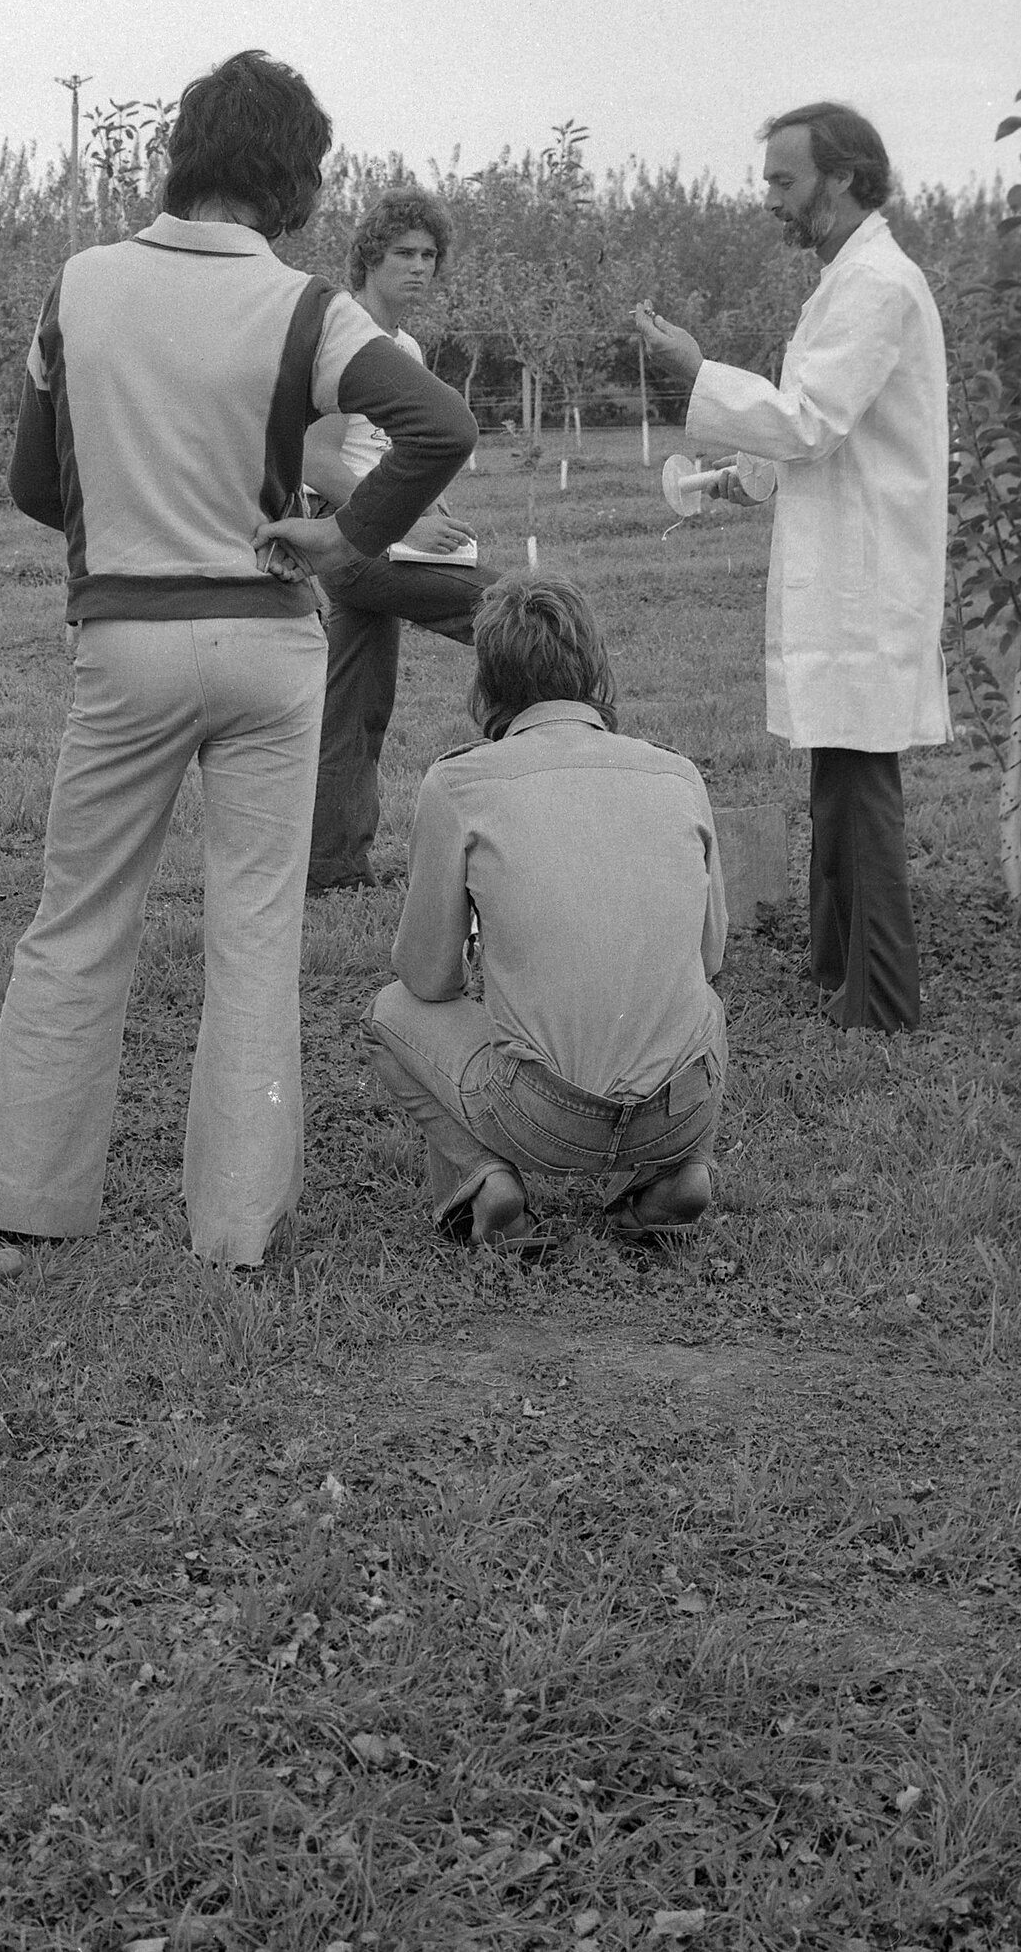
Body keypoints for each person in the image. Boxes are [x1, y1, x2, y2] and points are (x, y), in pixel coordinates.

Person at [0, 49, 476, 1272]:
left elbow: (32, 480)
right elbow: (435, 427)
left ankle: (20, 1193)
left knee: (76, 917)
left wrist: (119, 517)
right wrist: (344, 537)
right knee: (252, 931)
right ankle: (236, 1225)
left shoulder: (78, 286)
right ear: (293, 177)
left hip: (125, 640)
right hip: (270, 638)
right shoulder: (307, 307)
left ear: (181, 152)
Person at [633, 101, 949, 1031]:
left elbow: (811, 418)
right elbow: (818, 429)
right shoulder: (845, 280)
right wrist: (739, 479)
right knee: (838, 771)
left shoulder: (878, 284)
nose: (769, 198)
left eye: (784, 180)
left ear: (843, 178)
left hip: (868, 569)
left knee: (860, 780)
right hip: (850, 559)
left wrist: (698, 370)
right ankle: (838, 968)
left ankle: (881, 1001)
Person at [367, 573, 729, 1250]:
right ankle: (677, 1174)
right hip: (682, 1107)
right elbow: (710, 959)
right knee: (705, 1004)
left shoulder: (459, 782)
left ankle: (485, 1181)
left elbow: (426, 980)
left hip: (538, 1115)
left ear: (488, 683)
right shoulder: (680, 774)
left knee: (390, 1012)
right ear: (595, 669)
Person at [303, 187, 494, 892]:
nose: (420, 267)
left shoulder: (404, 346)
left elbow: (401, 452)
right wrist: (405, 520)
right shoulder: (339, 336)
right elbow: (317, 463)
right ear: (368, 258)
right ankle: (545, 786)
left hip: (386, 541)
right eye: (404, 254)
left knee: (355, 706)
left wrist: (435, 510)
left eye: (430, 256)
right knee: (518, 612)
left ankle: (329, 866)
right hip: (352, 541)